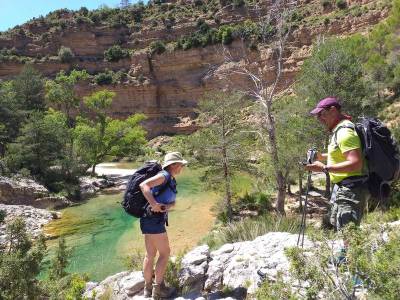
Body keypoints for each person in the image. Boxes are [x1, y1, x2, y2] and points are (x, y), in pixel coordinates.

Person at [305, 97, 370, 231]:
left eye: (321, 114)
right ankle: (340, 252)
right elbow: (342, 154)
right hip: (344, 189)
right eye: (317, 116)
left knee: (347, 233)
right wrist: (321, 156)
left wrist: (324, 168)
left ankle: (349, 253)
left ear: (333, 110)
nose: (319, 119)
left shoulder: (345, 132)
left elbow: (355, 163)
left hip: (351, 190)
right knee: (335, 227)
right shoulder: (339, 130)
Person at [139, 152, 187, 299]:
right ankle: (158, 291)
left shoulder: (169, 179)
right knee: (165, 254)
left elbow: (168, 201)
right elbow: (144, 185)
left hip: (148, 219)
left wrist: (168, 205)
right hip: (155, 220)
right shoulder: (164, 176)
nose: (182, 167)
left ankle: (148, 289)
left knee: (150, 254)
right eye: (181, 165)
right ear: (173, 165)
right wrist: (154, 204)